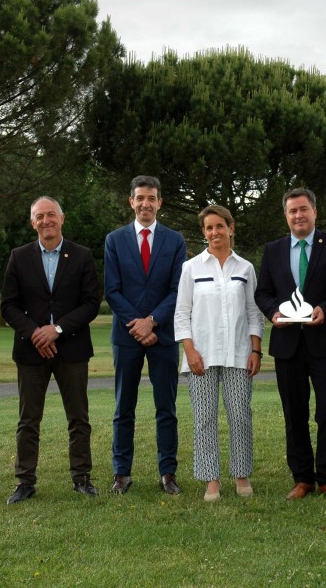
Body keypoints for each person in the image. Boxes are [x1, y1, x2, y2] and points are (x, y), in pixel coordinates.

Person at [255, 188, 326, 501]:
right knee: (294, 413)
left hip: (325, 342)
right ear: (286, 215)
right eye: (292, 211)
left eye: (303, 209)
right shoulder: (273, 250)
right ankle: (302, 479)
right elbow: (263, 293)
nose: (298, 215)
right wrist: (273, 312)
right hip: (288, 344)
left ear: (315, 211)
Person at [0, 197, 101, 504]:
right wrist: (35, 333)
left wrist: (56, 330)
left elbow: (91, 303)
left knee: (79, 418)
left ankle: (81, 477)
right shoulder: (19, 257)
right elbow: (8, 305)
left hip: (72, 348)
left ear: (62, 218)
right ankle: (25, 481)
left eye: (51, 215)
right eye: (40, 216)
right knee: (29, 420)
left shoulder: (82, 255)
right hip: (32, 352)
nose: (46, 221)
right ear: (33, 222)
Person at [174, 205, 265, 502]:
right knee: (204, 418)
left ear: (230, 228)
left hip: (239, 354)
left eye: (219, 227)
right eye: (209, 228)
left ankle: (241, 475)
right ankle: (211, 480)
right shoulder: (192, 268)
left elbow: (254, 313)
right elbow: (181, 313)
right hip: (201, 355)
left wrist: (256, 350)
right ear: (204, 232)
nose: (214, 233)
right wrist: (189, 351)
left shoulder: (245, 268)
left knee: (240, 415)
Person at [104, 175, 187, 495]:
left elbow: (177, 289)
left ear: (159, 203)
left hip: (163, 336)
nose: (145, 204)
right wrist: (138, 326)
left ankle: (168, 472)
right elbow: (112, 290)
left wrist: (152, 322)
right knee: (123, 407)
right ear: (131, 201)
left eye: (151, 198)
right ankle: (121, 473)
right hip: (126, 338)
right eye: (140, 198)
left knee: (166, 408)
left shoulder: (174, 240)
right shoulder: (115, 240)